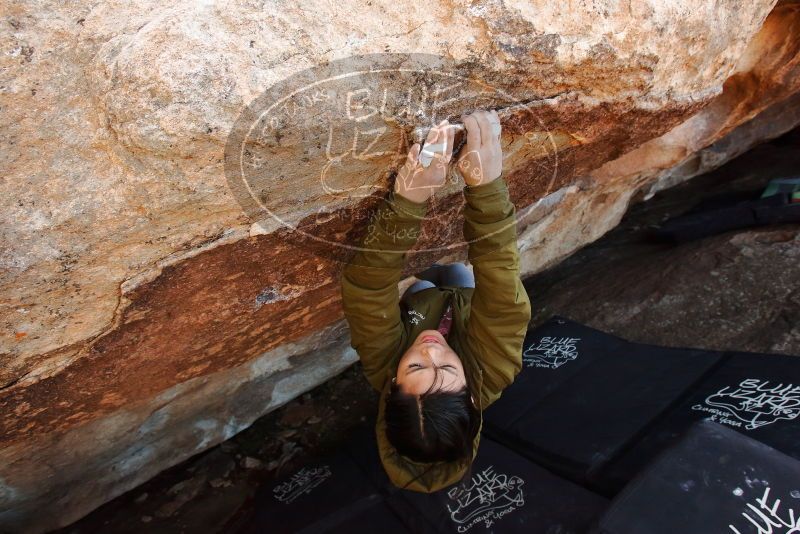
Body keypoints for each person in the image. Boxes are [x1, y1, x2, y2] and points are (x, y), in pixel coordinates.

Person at [339, 109, 532, 492]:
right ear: (472, 394)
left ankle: (427, 285)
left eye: (414, 368)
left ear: (393, 384)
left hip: (421, 306)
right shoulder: (495, 370)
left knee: (424, 289)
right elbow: (500, 286)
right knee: (463, 276)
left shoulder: (382, 366)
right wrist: (487, 183)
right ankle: (441, 281)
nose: (431, 352)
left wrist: (409, 198)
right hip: (467, 300)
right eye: (446, 369)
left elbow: (367, 289)